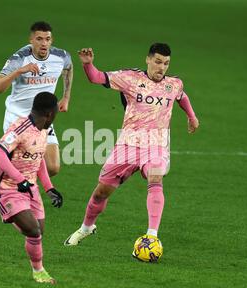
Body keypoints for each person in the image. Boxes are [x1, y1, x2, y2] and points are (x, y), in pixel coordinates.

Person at [64, 43, 199, 247]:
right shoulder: (131, 78)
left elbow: (181, 96)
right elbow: (96, 77)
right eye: (158, 62)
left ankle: (151, 236)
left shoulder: (174, 83)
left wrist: (192, 116)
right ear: (148, 59)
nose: (162, 67)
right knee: (101, 193)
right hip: (128, 145)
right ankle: (86, 228)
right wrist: (88, 64)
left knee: (155, 178)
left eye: (166, 63)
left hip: (156, 144)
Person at [0, 21, 73, 208]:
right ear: (31, 40)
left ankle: (10, 190)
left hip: (43, 120)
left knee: (52, 167)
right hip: (17, 119)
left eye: (48, 39)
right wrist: (19, 71)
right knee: (17, 160)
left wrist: (66, 96)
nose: (44, 43)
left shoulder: (61, 56)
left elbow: (69, 68)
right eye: (39, 39)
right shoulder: (19, 58)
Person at [0, 91, 63, 284]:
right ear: (49, 114)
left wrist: (49, 188)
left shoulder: (44, 130)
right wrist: (19, 179)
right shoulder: (19, 129)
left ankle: (5, 211)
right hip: (8, 188)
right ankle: (38, 272)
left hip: (30, 189)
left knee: (38, 230)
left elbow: (38, 160)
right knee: (33, 230)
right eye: (56, 113)